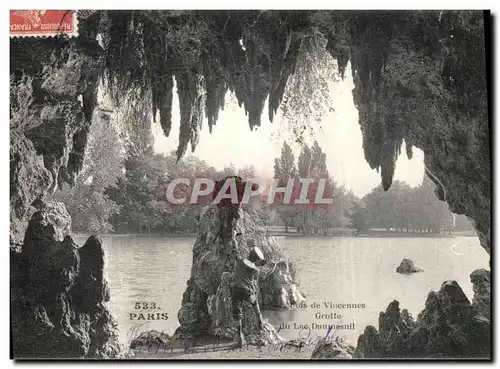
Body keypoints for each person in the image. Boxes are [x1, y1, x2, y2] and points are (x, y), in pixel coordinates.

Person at [230, 238, 266, 348]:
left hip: (236, 289)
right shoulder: (256, 270)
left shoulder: (241, 262)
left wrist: (235, 238)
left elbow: (235, 251)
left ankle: (240, 338)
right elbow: (255, 283)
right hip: (247, 291)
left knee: (237, 312)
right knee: (256, 308)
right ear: (256, 260)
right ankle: (261, 334)